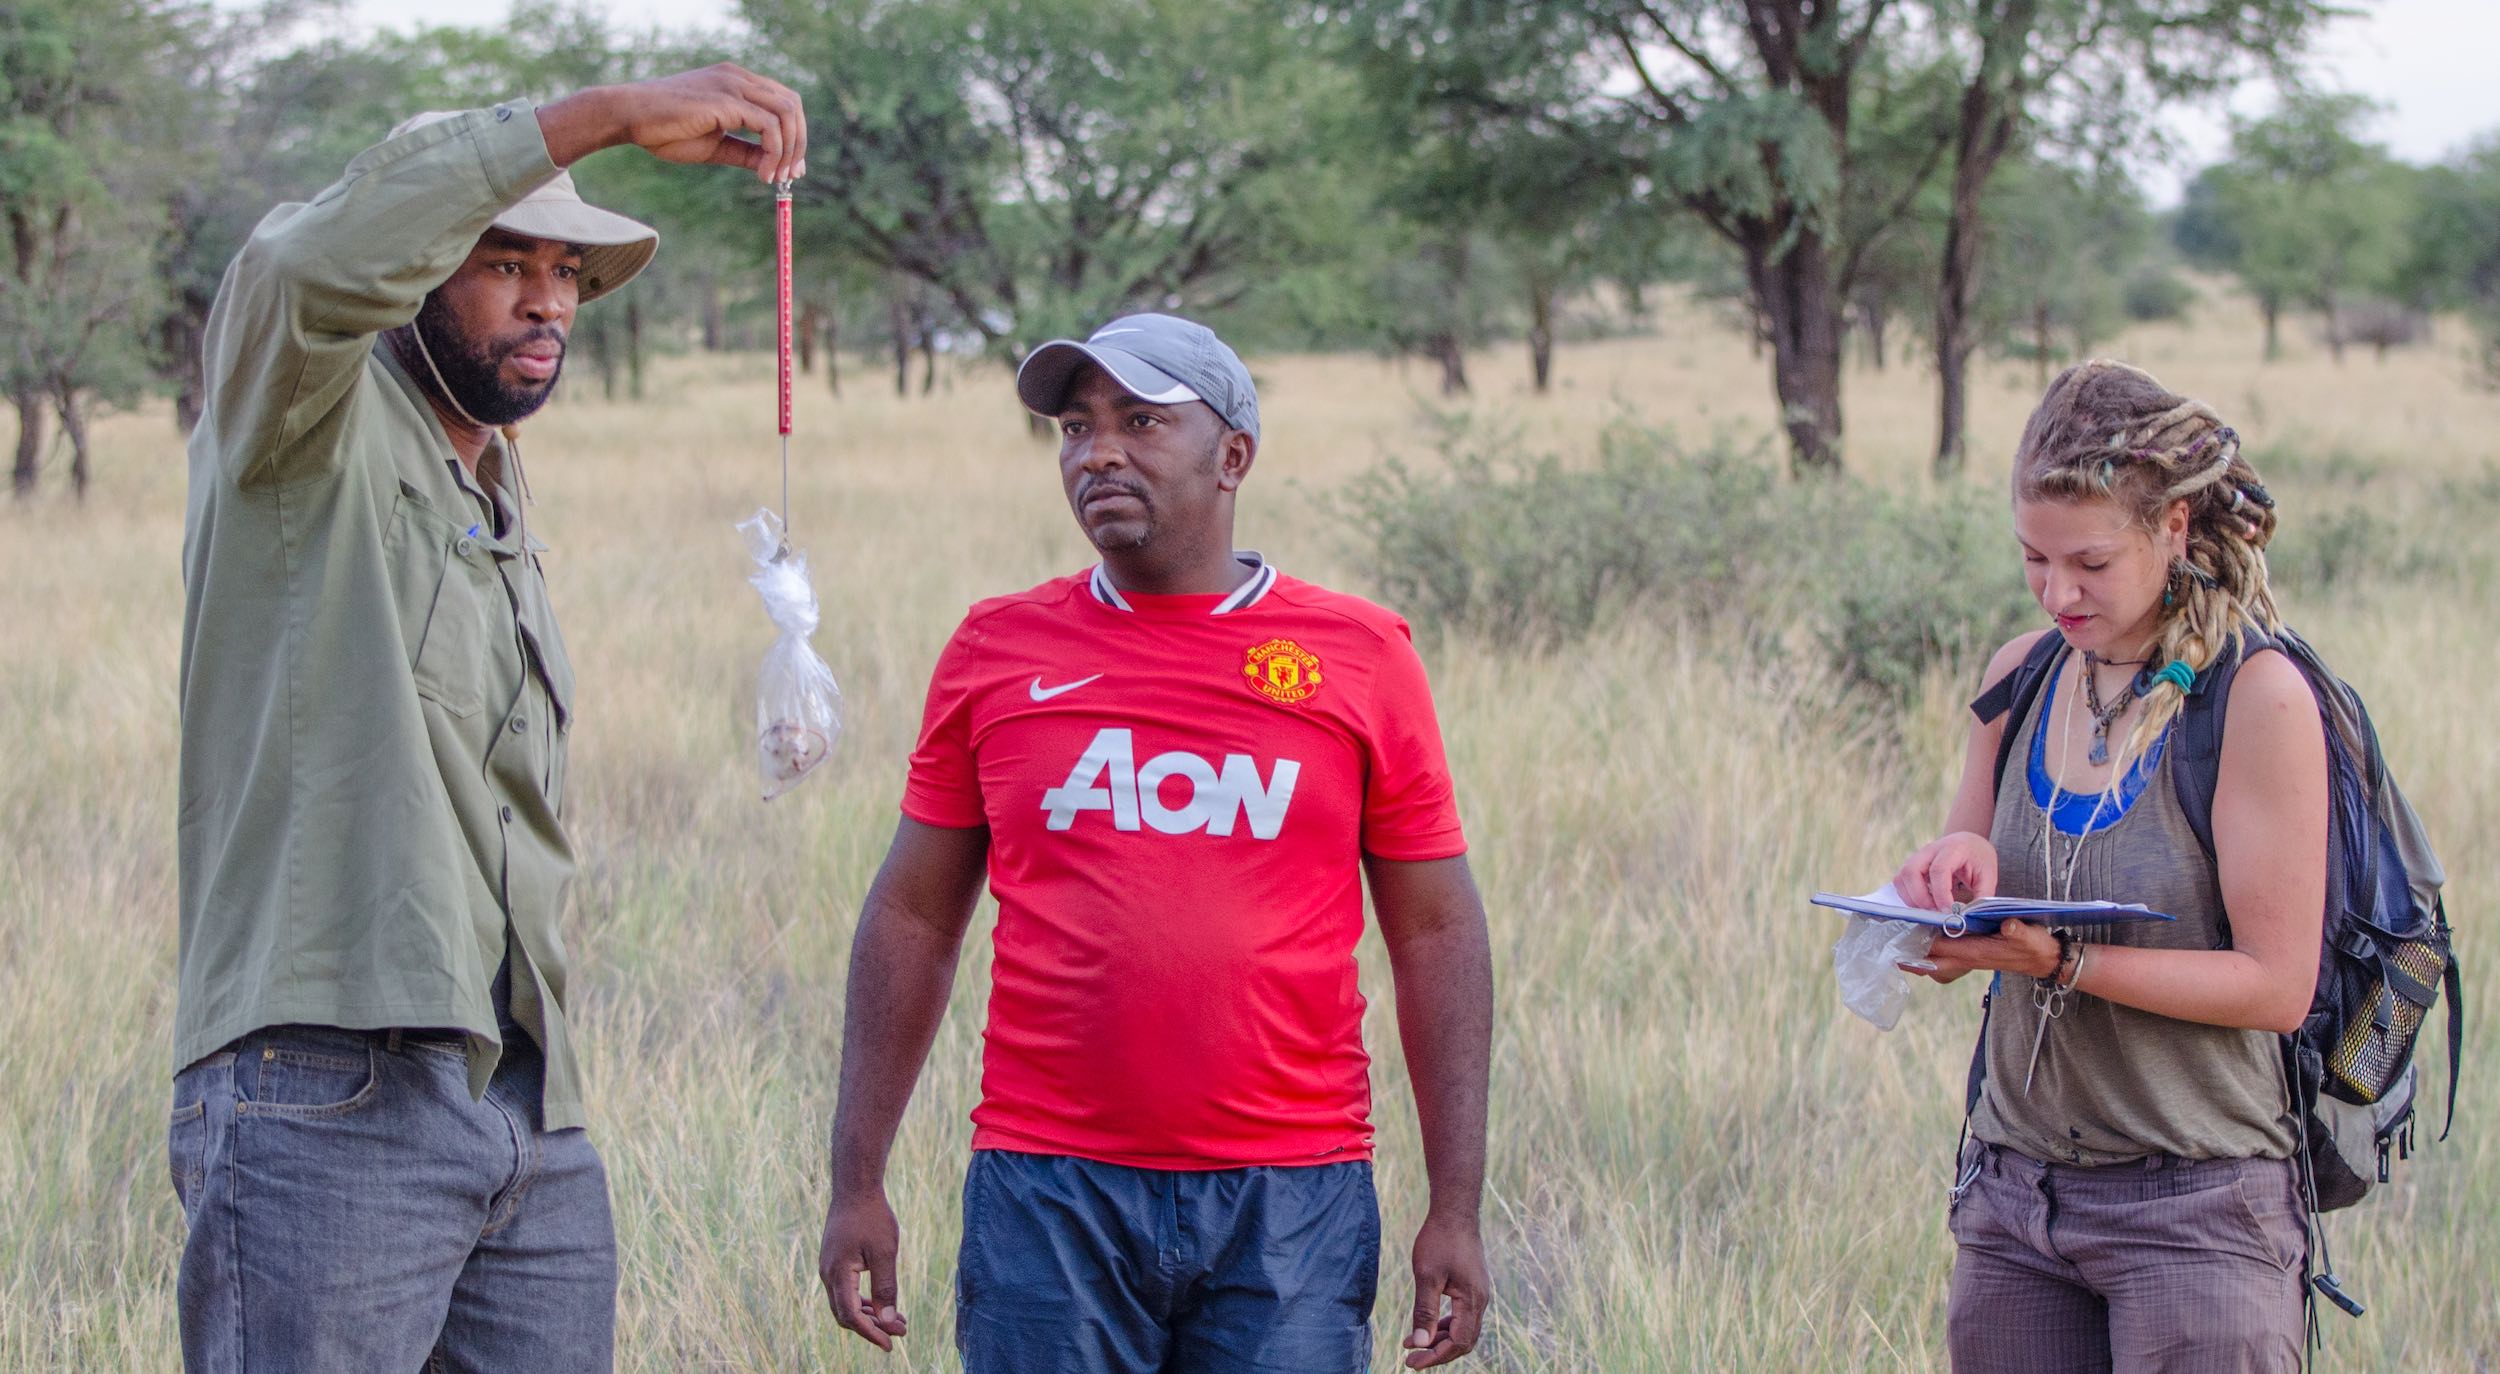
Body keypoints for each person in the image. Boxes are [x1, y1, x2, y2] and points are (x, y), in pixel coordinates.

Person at [169, 66, 806, 1371]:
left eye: (566, 271)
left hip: (528, 1102)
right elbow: (306, 263)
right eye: (503, 260)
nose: (546, 300)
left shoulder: (491, 483)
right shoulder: (304, 426)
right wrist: (615, 117)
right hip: (327, 1084)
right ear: (409, 271)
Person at [815, 314, 1496, 1372]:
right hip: (1047, 1191)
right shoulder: (996, 648)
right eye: (1076, 428)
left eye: (1141, 421)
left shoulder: (1357, 654)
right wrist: (856, 1181)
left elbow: (1437, 931)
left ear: (1233, 457)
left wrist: (1455, 1207)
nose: (1099, 453)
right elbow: (911, 915)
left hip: (1290, 1193)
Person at [1892, 361, 2328, 1371]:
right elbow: (1972, 878)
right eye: (2032, 560)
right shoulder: (2022, 673)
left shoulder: (2253, 698)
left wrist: (2064, 964)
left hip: (2196, 1208)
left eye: (2087, 561)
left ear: (2171, 529)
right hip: (2012, 1193)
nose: (2056, 592)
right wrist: (1947, 885)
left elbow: (2276, 986)